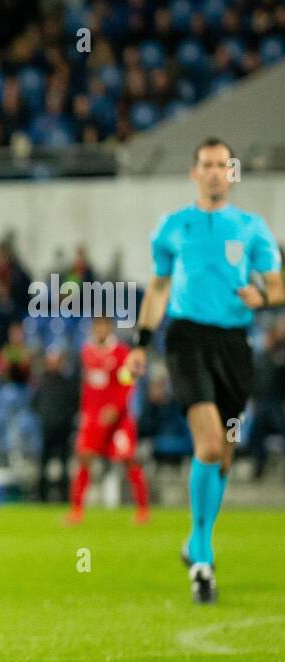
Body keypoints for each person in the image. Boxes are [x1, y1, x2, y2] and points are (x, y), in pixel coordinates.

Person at [126, 137, 285, 602]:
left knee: (226, 454)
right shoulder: (173, 228)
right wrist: (141, 343)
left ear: (232, 173)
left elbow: (278, 286)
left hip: (235, 345)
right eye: (206, 165)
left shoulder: (252, 229)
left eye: (222, 165)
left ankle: (198, 539)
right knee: (210, 445)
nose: (215, 172)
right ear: (194, 172)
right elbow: (157, 289)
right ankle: (201, 558)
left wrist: (265, 297)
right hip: (186, 340)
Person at [67, 316, 149, 525]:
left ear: (109, 328)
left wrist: (115, 407)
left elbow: (128, 384)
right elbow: (86, 387)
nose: (101, 330)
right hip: (94, 417)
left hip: (118, 418)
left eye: (104, 325)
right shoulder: (86, 352)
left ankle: (142, 510)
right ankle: (76, 510)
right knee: (84, 457)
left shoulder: (121, 353)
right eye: (97, 326)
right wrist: (85, 412)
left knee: (129, 458)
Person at [30, 348, 78, 502]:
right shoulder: (42, 383)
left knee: (65, 466)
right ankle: (42, 497)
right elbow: (35, 404)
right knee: (43, 465)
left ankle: (65, 498)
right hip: (47, 429)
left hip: (64, 430)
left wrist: (65, 419)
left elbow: (75, 404)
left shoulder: (68, 384)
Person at [245, 315, 285, 479]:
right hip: (262, 403)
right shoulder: (261, 358)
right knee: (255, 433)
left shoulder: (280, 355)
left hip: (278, 403)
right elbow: (254, 384)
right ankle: (258, 466)